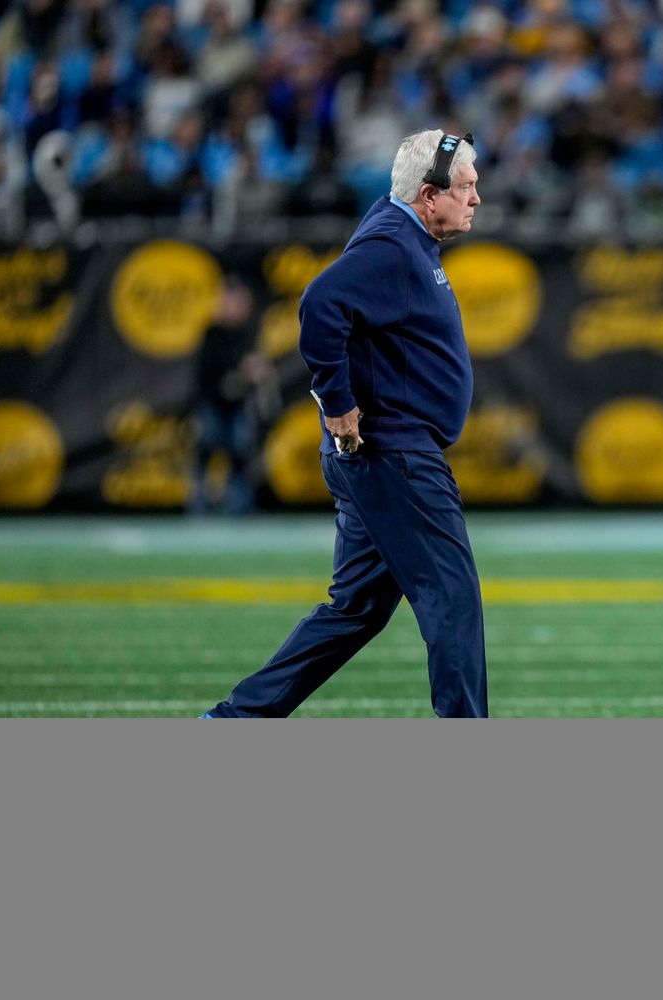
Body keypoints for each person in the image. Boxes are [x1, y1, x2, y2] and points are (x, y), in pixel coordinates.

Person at [202, 129, 487, 718]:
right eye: (466, 187)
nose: (476, 198)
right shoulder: (393, 244)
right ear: (429, 196)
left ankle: (236, 720)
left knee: (355, 609)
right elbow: (319, 303)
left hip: (381, 455)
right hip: (396, 455)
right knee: (453, 600)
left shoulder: (399, 228)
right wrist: (337, 403)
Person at [188, 274, 275, 516]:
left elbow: (256, 368)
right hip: (212, 406)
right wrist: (241, 370)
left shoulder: (248, 333)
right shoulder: (212, 332)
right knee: (204, 456)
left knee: (240, 457)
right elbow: (210, 371)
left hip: (237, 407)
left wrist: (257, 372)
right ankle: (198, 509)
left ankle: (239, 511)